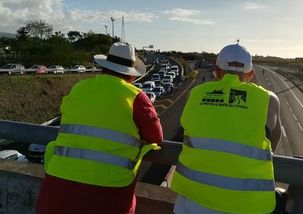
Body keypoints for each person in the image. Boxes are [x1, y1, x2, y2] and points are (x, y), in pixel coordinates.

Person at [36, 42, 163, 214]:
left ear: (104, 67)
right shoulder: (135, 97)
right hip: (108, 194)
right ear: (131, 76)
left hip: (57, 188)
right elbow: (156, 137)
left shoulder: (79, 88)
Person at [171, 43, 281, 214]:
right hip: (247, 205)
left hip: (192, 201)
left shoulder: (195, 94)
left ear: (217, 71)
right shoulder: (269, 100)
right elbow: (272, 145)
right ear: (251, 74)